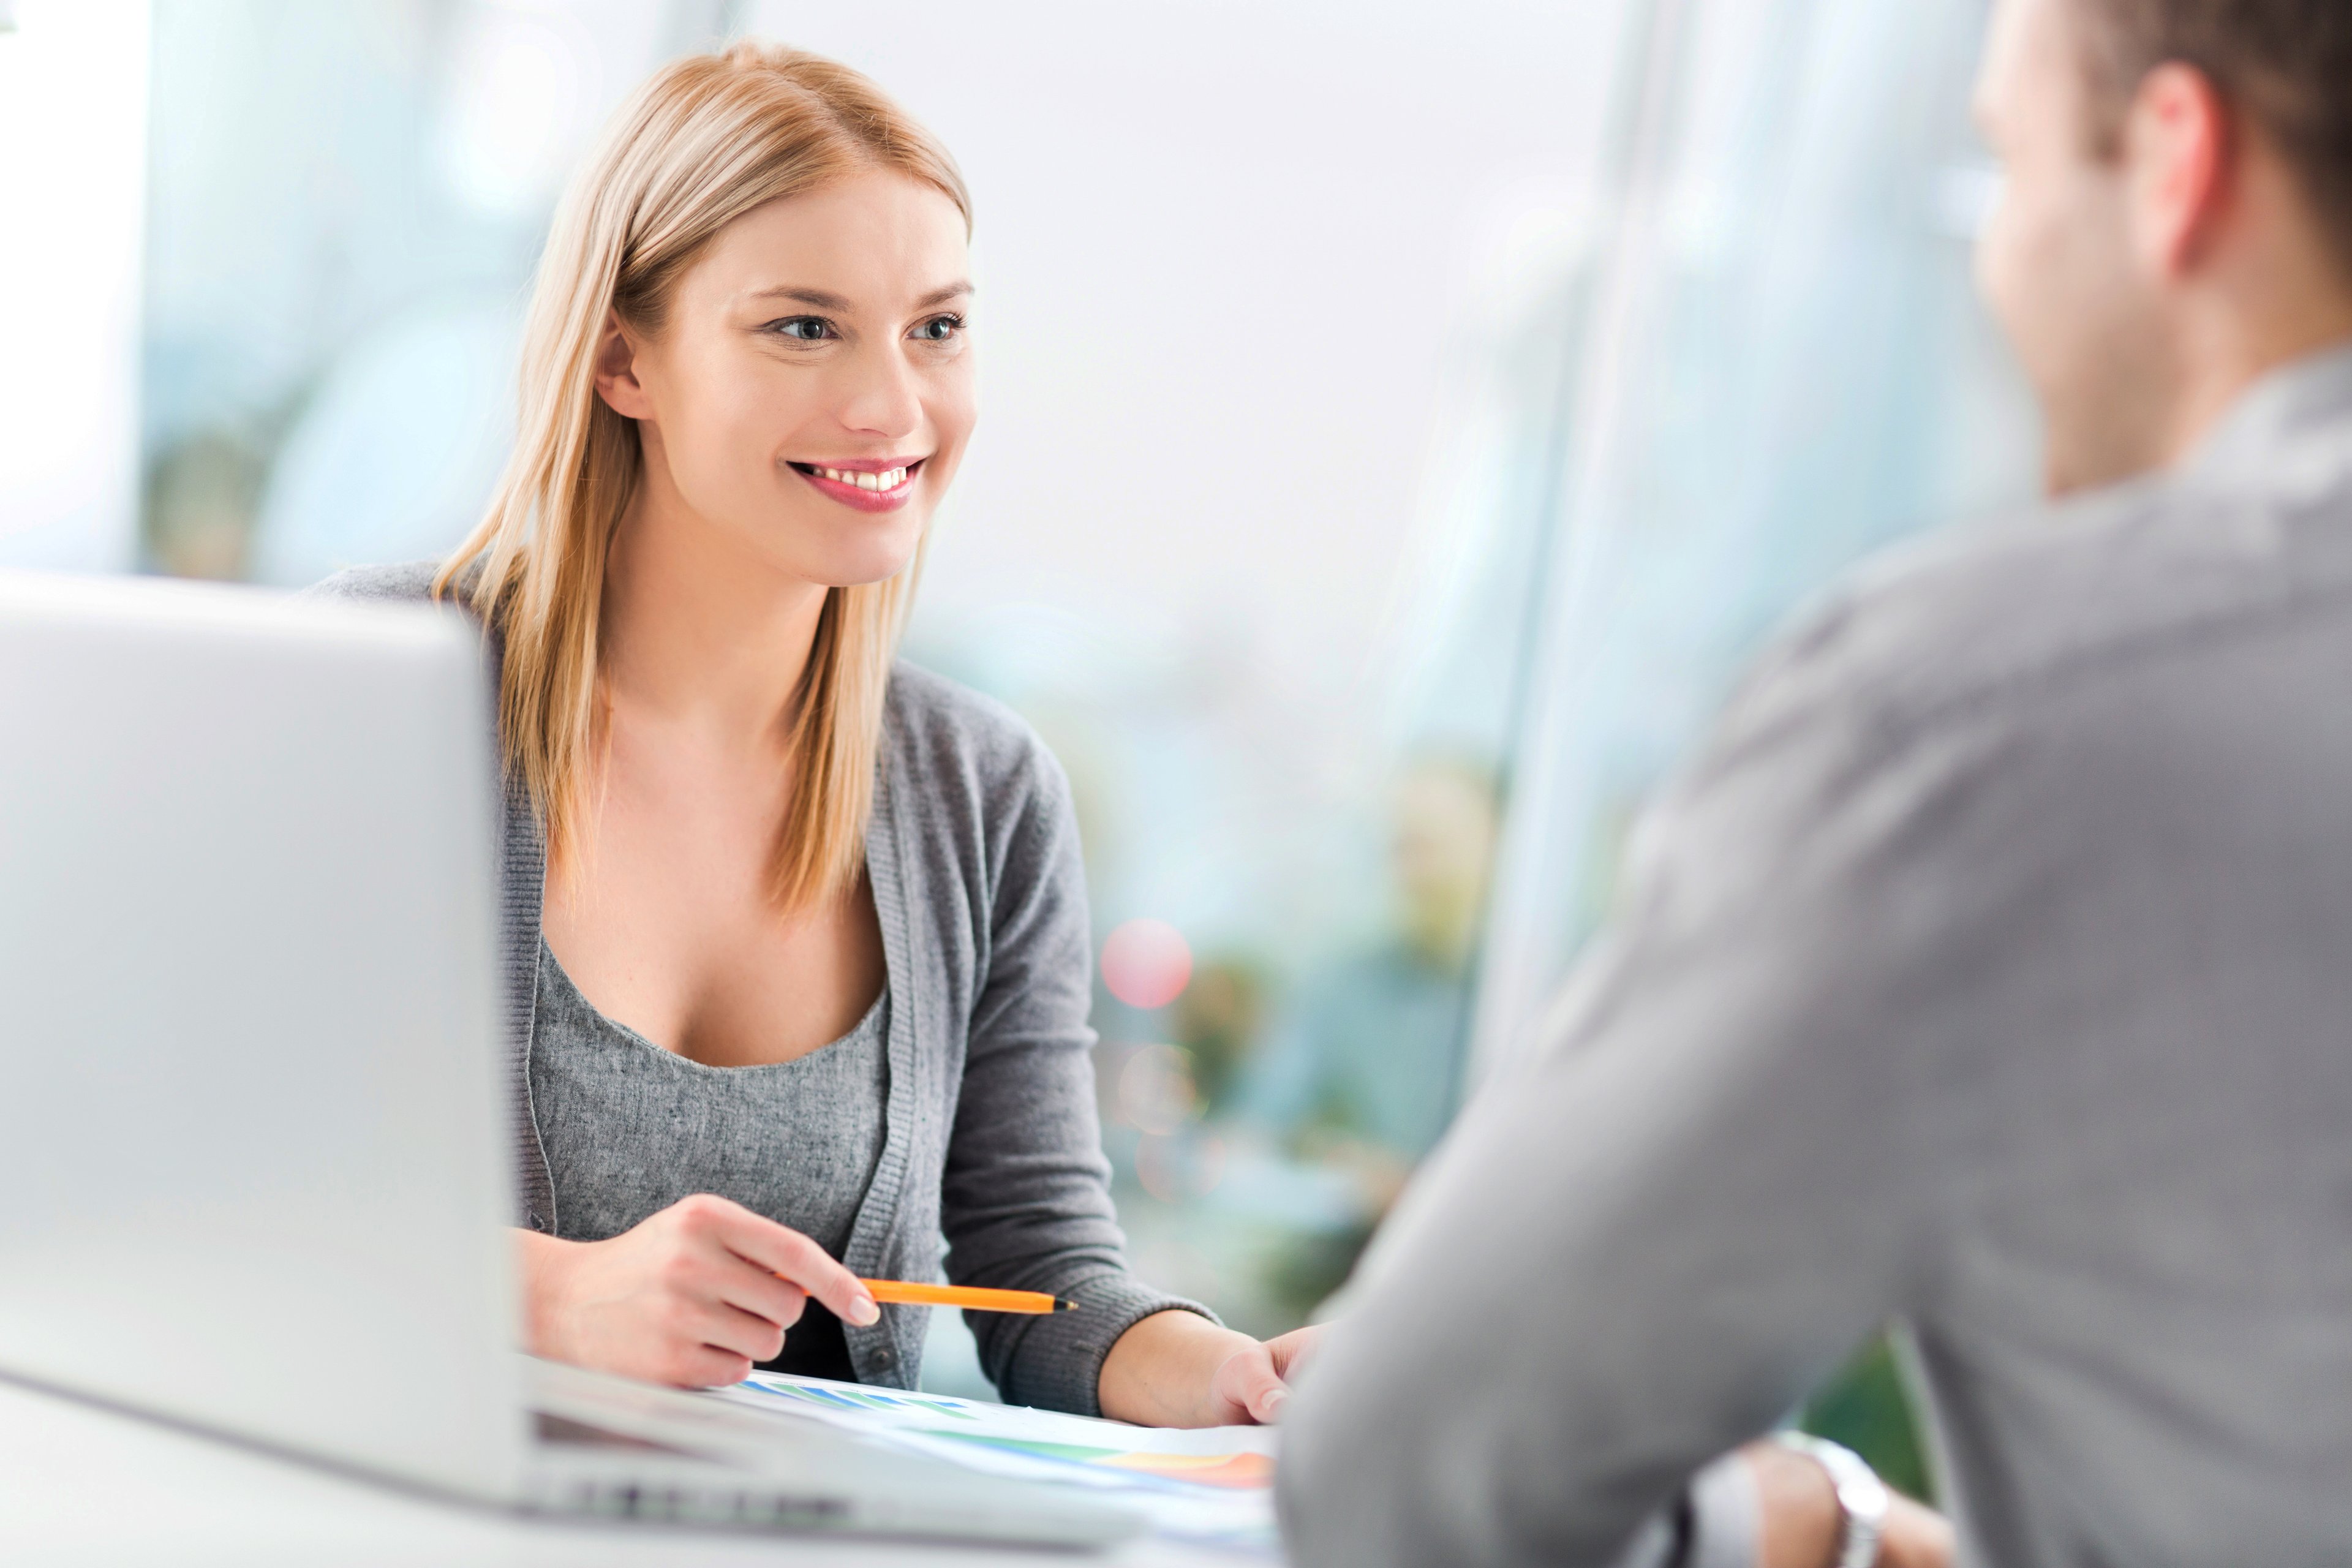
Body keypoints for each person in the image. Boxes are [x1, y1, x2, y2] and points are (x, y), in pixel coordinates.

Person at [1280, 0, 2352, 1562]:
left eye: (2009, 166)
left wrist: (1780, 1527)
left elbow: (1405, 1479)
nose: (1996, 266)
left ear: (2175, 165)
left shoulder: (1975, 723)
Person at [314, 43, 1309, 1426]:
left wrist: (1239, 1377)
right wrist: (551, 1296)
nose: (894, 407)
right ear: (623, 359)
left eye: (936, 328)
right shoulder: (372, 686)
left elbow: (1043, 1268)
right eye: (803, 327)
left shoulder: (984, 793)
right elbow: (185, 1170)